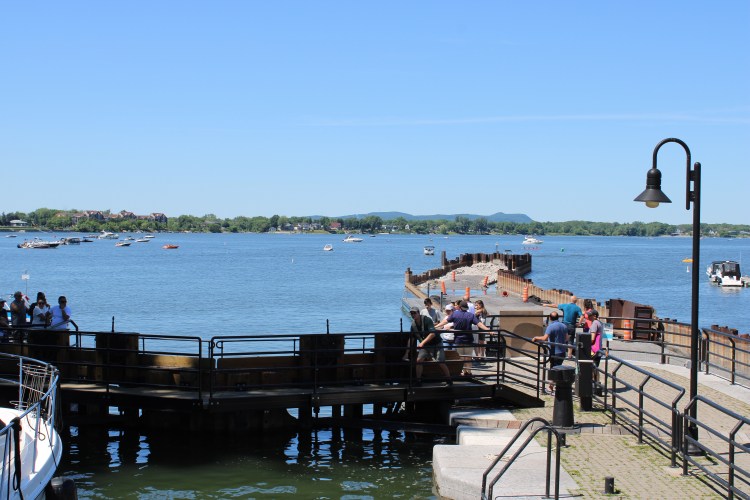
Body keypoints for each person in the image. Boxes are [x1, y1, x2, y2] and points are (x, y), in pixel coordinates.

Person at [435, 300, 489, 377]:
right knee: (468, 357)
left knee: (461, 357)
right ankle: (469, 372)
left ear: (460, 307)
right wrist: (488, 330)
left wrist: (436, 326)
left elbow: (445, 322)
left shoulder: (455, 314)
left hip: (458, 340)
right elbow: (479, 324)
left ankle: (464, 371)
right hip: (468, 339)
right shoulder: (470, 315)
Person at [409, 307, 452, 386]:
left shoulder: (427, 320)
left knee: (440, 361)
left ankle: (449, 380)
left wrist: (422, 343)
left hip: (436, 343)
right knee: (419, 361)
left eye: (414, 313)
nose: (413, 315)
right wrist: (407, 351)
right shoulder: (413, 325)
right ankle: (418, 381)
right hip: (426, 345)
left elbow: (432, 334)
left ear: (419, 313)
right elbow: (411, 338)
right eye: (411, 313)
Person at [532, 311, 568, 394]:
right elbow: (567, 338)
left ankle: (550, 388)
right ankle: (556, 386)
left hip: (554, 351)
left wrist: (536, 337)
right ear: (558, 317)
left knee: (553, 369)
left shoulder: (550, 327)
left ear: (550, 318)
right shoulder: (564, 326)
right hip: (562, 351)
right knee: (558, 368)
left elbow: (544, 338)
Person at [588, 310, 605, 383]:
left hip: (593, 349)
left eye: (590, 315)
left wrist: (586, 344)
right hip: (598, 348)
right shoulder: (599, 323)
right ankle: (596, 382)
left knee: (592, 367)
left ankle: (594, 382)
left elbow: (592, 338)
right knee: (595, 366)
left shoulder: (594, 324)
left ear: (594, 316)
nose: (588, 317)